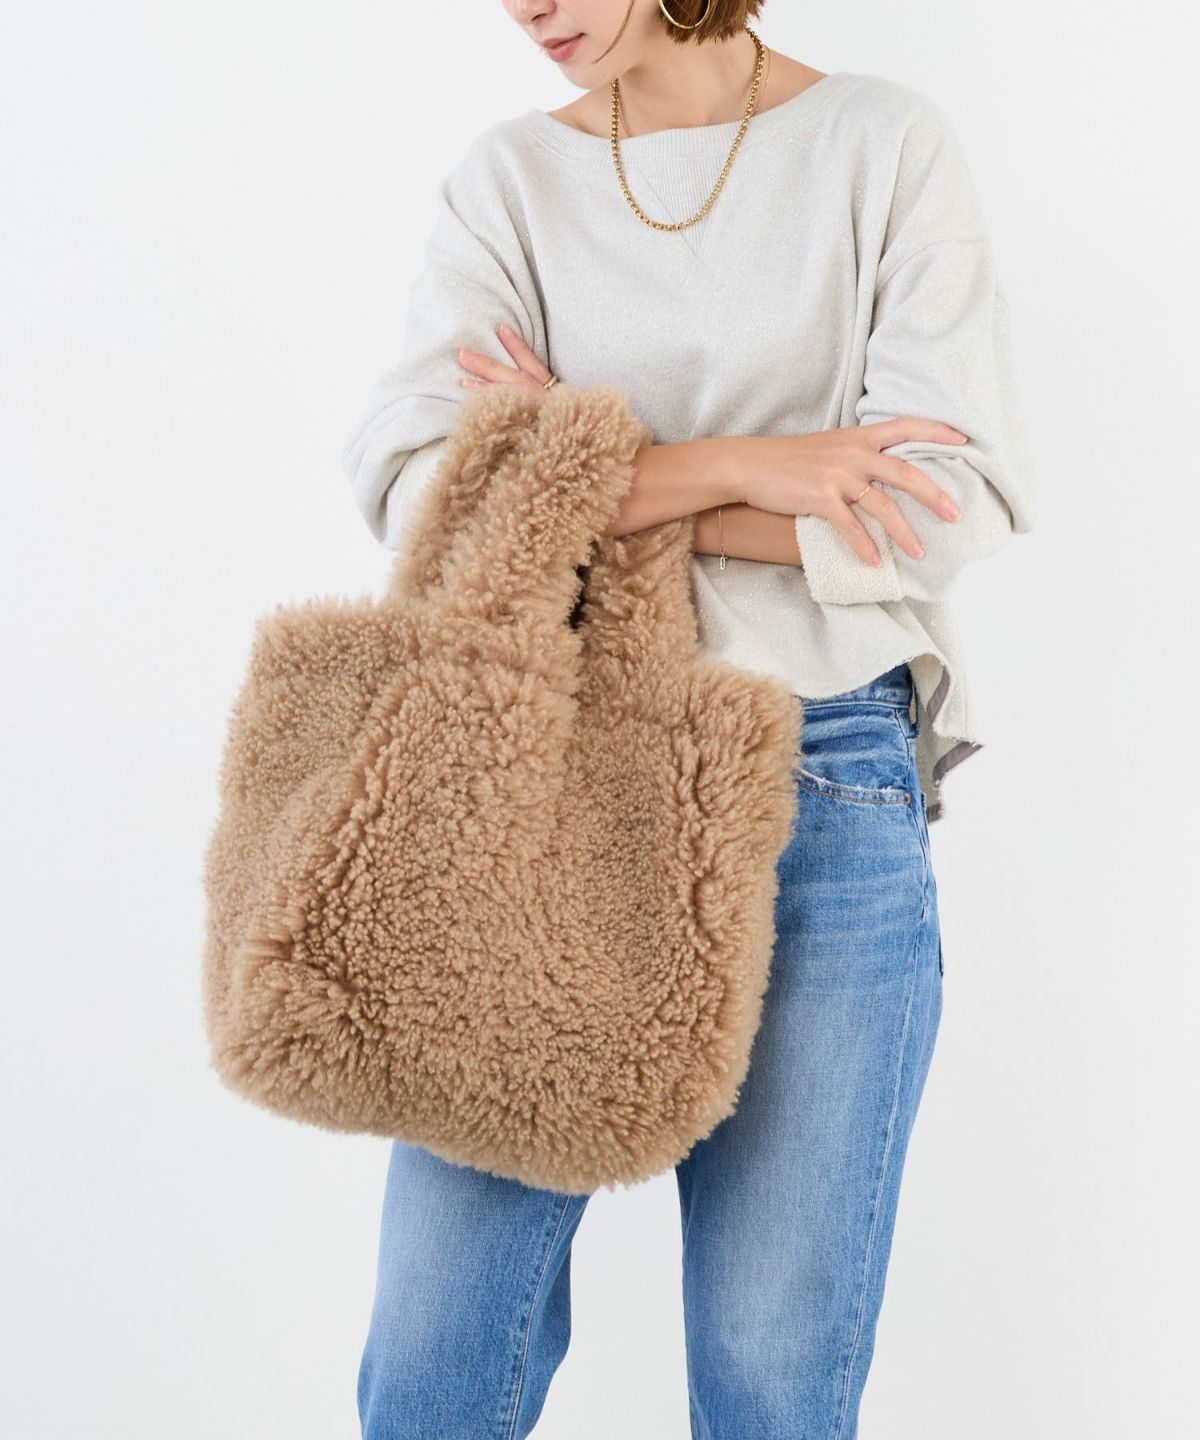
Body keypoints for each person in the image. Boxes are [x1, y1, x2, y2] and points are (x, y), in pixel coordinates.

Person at [341, 2, 1036, 1435]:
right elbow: (425, 493)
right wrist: (754, 467)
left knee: (774, 1378)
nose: (527, 6)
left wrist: (569, 468)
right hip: (545, 782)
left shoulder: (881, 146)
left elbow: (939, 507)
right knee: (431, 1367)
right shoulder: (512, 181)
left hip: (822, 772)